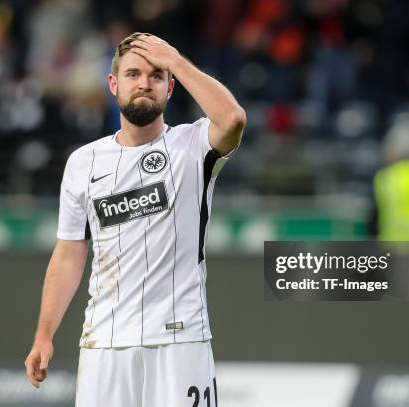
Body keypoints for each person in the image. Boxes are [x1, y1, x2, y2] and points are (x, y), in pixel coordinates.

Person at [24, 32, 246, 407]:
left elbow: (233, 118)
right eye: (132, 74)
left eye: (156, 75)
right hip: (104, 342)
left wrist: (173, 59)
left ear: (170, 88)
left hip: (181, 339)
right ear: (113, 84)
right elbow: (68, 253)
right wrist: (44, 333)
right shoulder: (83, 162)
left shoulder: (192, 146)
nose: (144, 82)